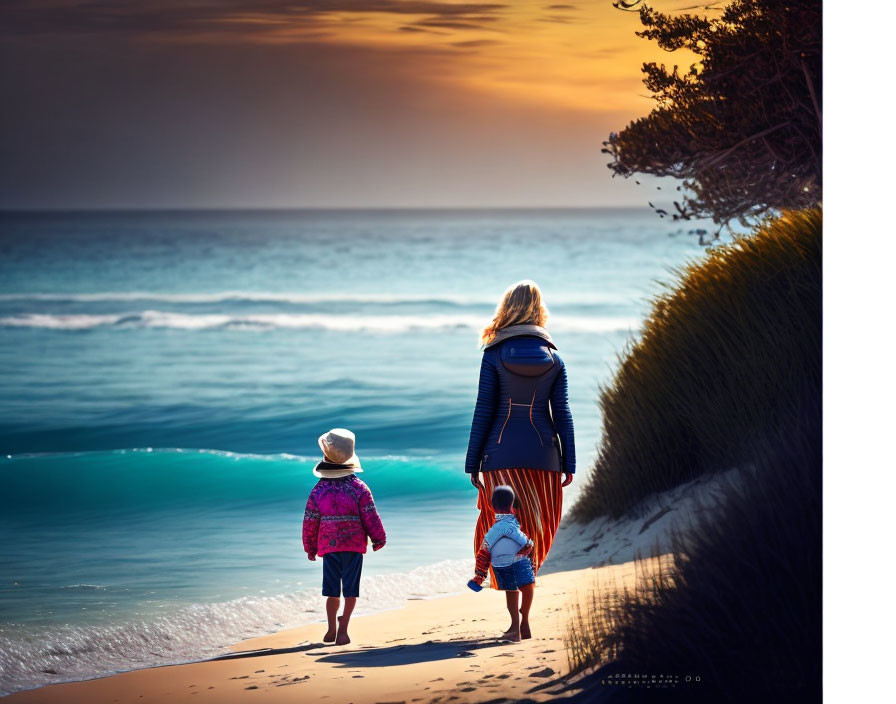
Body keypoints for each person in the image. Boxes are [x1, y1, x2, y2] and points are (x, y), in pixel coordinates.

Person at [465, 280, 576, 626]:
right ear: (539, 310)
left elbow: (484, 409)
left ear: (507, 308)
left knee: (504, 538)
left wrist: (473, 462)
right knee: (534, 537)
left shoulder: (493, 354)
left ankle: (515, 620)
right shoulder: (555, 360)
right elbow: (563, 414)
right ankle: (525, 618)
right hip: (545, 459)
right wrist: (569, 461)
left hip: (500, 458)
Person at [302, 428, 386, 646]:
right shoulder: (360, 488)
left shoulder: (317, 490)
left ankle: (330, 628)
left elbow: (310, 520)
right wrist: (378, 538)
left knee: (331, 591)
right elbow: (370, 516)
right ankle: (343, 629)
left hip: (328, 547)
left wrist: (310, 546)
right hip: (354, 546)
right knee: (350, 590)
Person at [468, 486, 536, 641]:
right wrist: (524, 552)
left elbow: (483, 551)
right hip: (518, 562)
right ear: (513, 507)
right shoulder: (510, 526)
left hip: (501, 565)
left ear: (492, 507)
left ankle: (515, 627)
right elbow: (527, 543)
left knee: (511, 593)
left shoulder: (496, 529)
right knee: (527, 588)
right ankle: (523, 620)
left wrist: (480, 573)